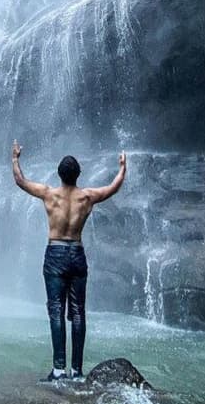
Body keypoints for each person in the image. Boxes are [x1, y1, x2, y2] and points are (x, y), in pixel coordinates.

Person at [12, 140, 127, 381]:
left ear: (59, 174)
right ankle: (76, 371)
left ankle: (58, 370)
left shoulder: (48, 194)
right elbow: (113, 188)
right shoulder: (87, 197)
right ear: (78, 174)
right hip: (76, 253)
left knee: (56, 311)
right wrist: (122, 168)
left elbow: (20, 181)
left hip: (55, 253)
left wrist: (15, 158)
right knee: (78, 312)